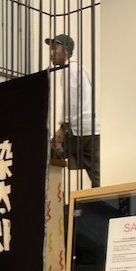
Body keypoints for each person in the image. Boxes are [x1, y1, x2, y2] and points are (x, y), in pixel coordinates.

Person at [47, 33, 100, 188]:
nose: (51, 53)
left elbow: (72, 101)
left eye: (55, 48)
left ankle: (48, 194)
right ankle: (102, 199)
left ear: (66, 50)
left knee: (48, 153)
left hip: (78, 129)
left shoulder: (70, 69)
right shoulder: (80, 69)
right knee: (96, 174)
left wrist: (63, 127)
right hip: (90, 128)